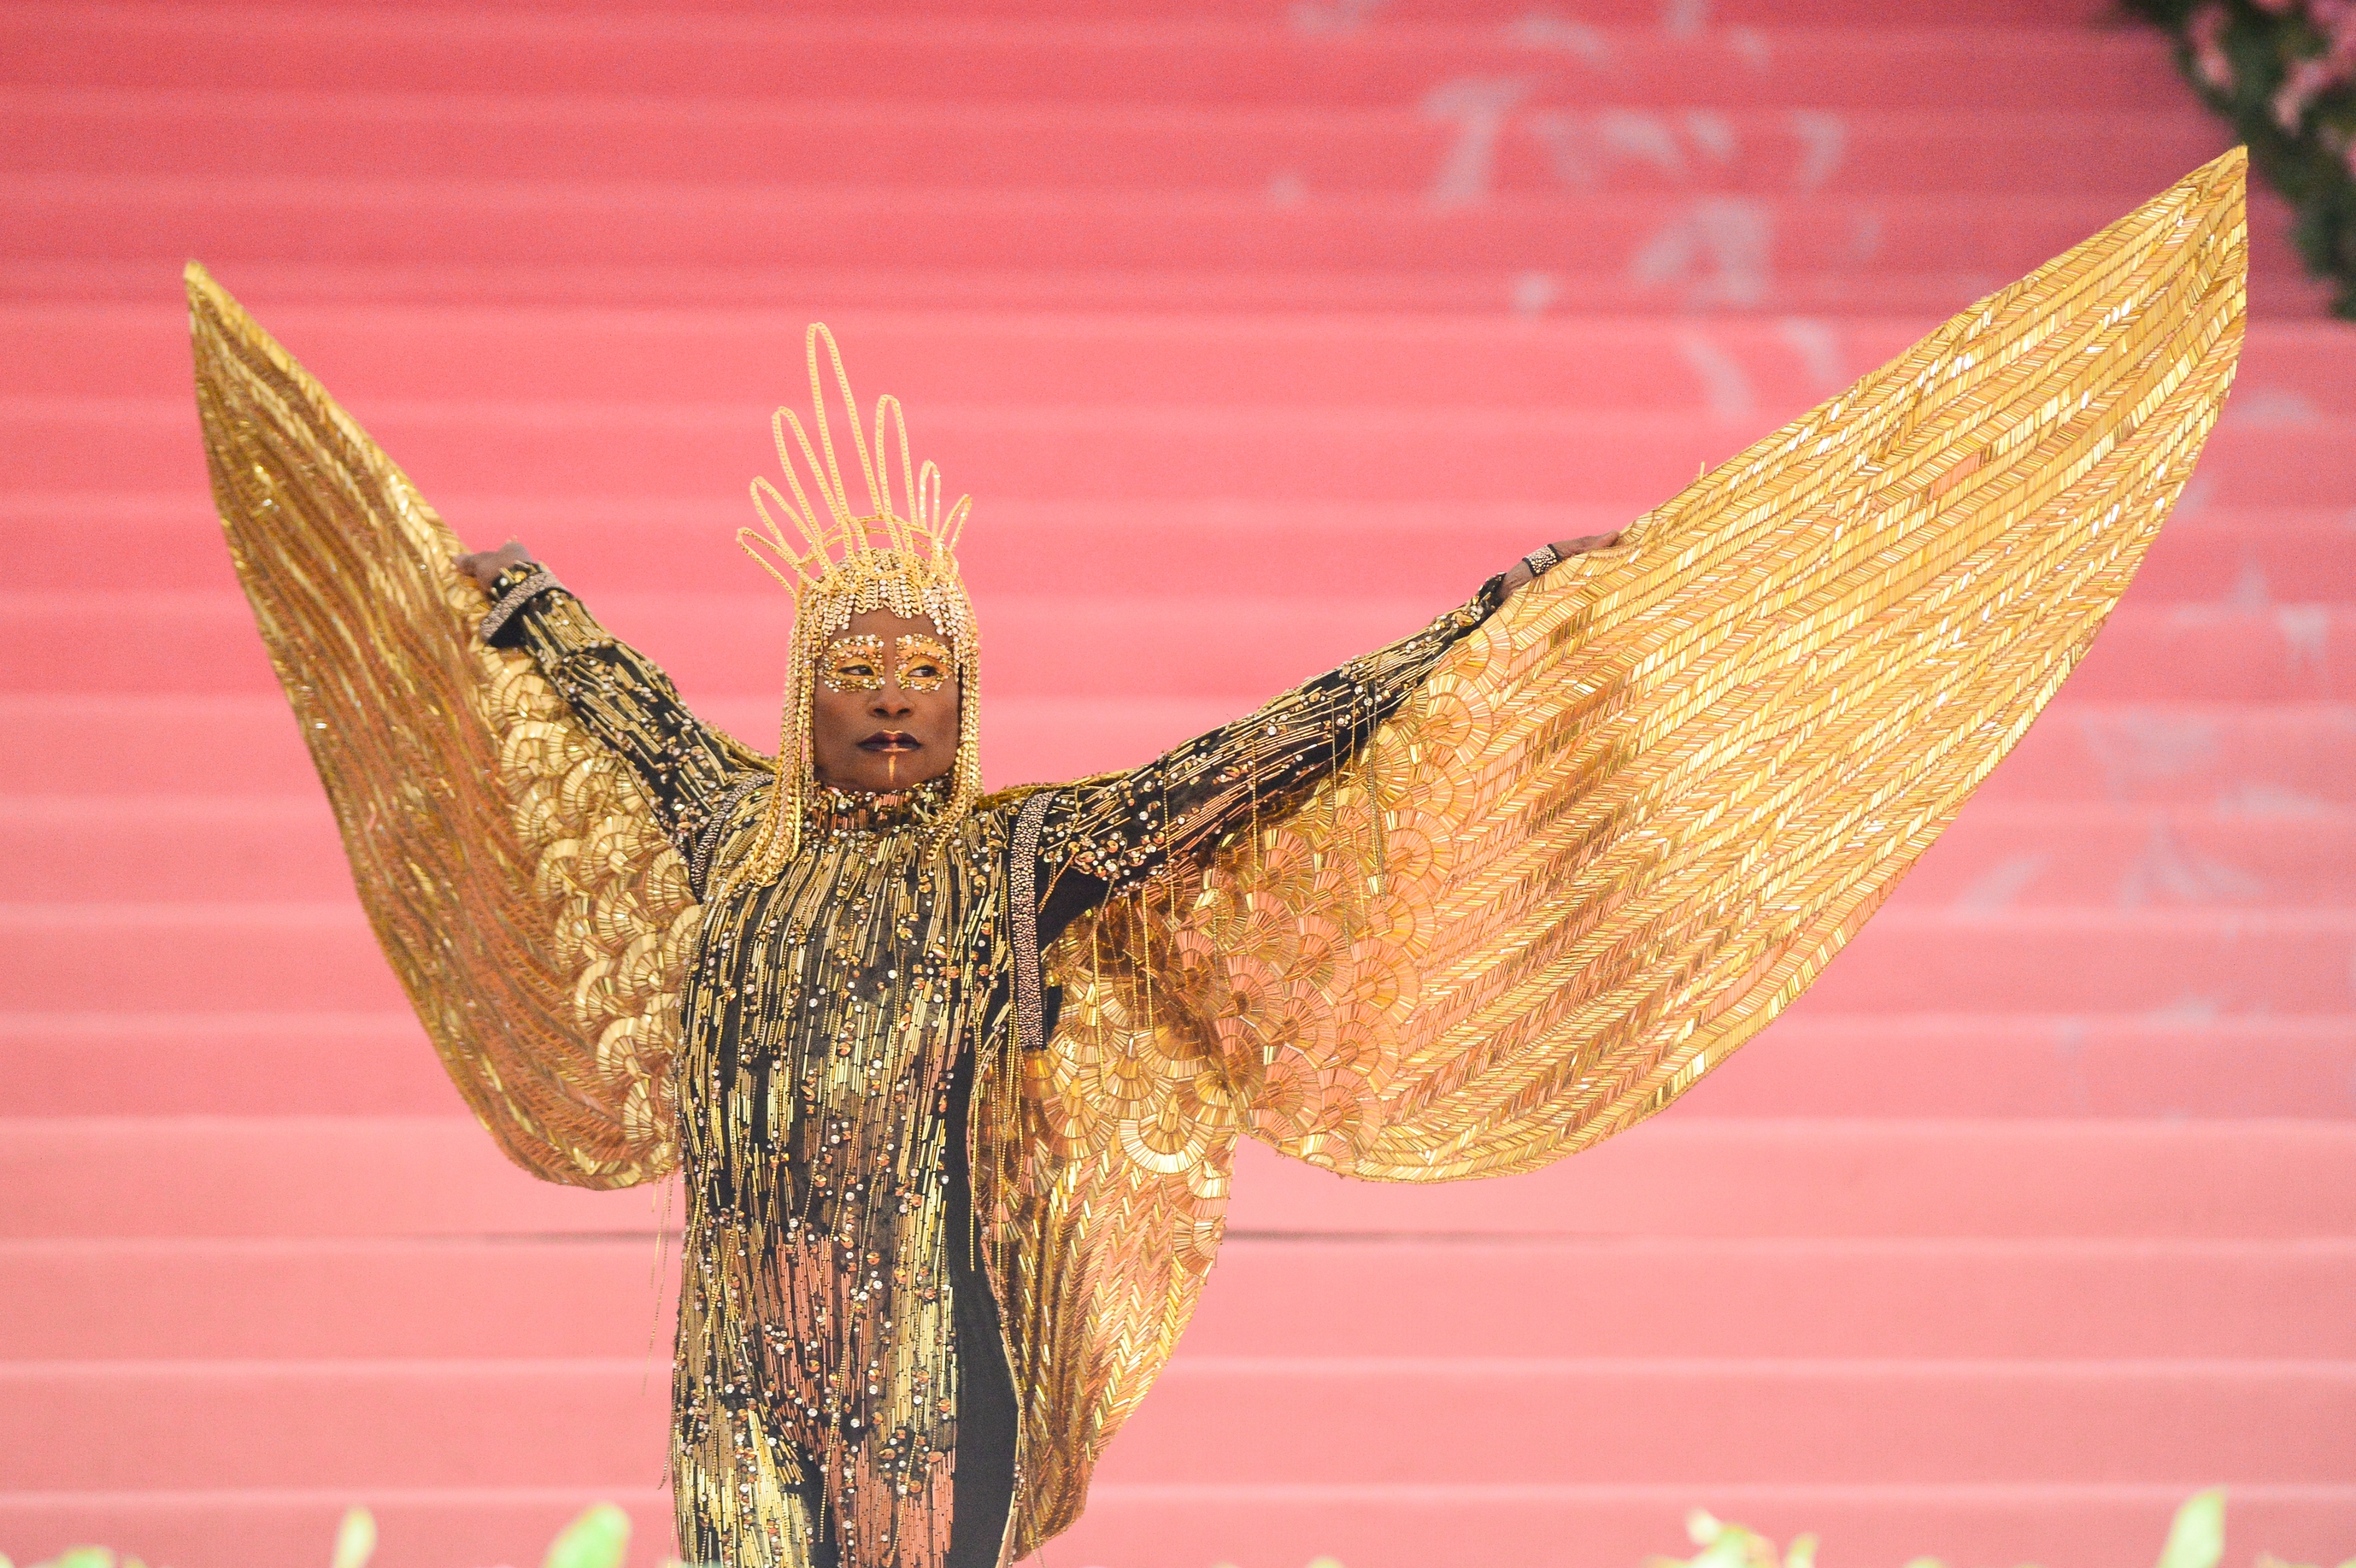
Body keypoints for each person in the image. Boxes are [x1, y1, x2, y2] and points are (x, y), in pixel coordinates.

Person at [187, 149, 2245, 1568]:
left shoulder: (1028, 859)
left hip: (925, 1349)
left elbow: (1253, 764)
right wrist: (519, 610)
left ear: (966, 701)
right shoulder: (728, 830)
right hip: (738, 1338)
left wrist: (1467, 633)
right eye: (855, 670)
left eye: (923, 671)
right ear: (803, 695)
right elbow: (600, 697)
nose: (890, 697)